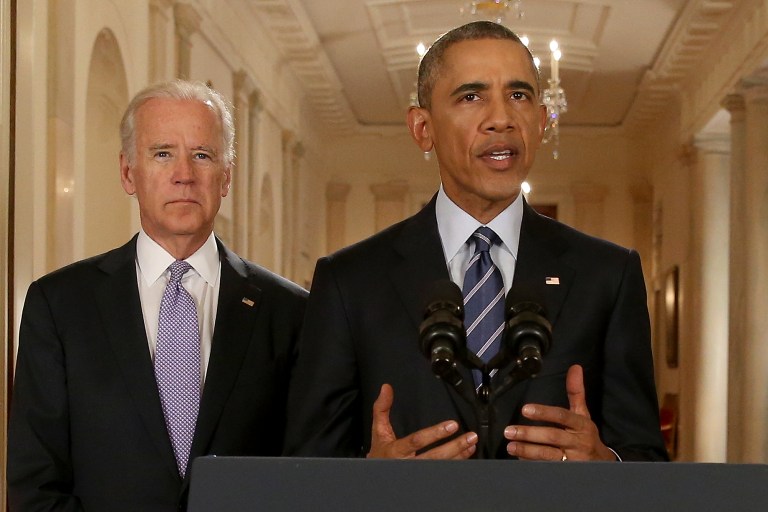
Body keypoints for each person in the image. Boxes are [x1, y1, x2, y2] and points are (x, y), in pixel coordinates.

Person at [283, 21, 667, 462]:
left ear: (541, 122)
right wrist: (369, 483)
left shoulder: (609, 276)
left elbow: (646, 461)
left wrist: (607, 467)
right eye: (472, 96)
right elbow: (306, 469)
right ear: (422, 128)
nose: (501, 119)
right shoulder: (348, 282)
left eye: (519, 96)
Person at [7, 80, 307, 511]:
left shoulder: (290, 313)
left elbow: (303, 471)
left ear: (226, 177)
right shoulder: (59, 306)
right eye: (162, 153)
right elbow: (35, 482)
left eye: (202, 155)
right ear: (129, 173)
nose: (183, 174)